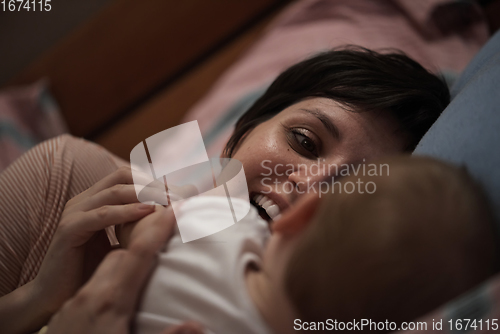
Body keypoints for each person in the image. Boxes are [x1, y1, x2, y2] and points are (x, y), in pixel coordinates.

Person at [0, 47, 450, 333]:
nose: (310, 187)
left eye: (354, 190)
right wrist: (33, 301)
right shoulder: (64, 182)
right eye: (304, 141)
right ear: (247, 127)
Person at [131, 156, 497, 334]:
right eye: (305, 142)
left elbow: (139, 227)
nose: (306, 181)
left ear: (300, 216)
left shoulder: (223, 219)